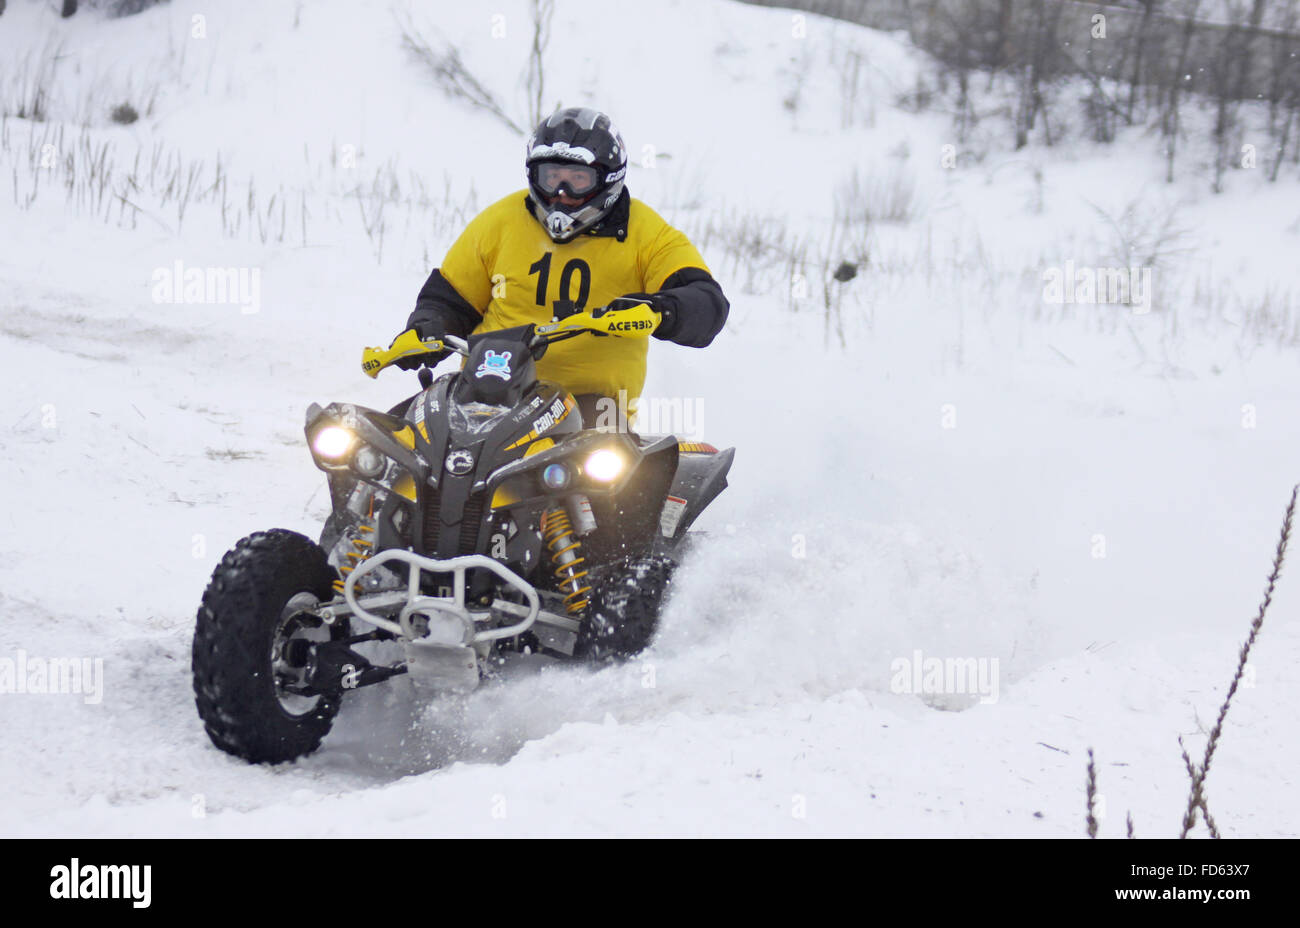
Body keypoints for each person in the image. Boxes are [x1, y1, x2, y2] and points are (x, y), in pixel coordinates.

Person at [392, 106, 728, 429]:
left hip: (595, 410)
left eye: (577, 179)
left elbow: (707, 302)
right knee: (403, 439)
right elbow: (449, 298)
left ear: (607, 180)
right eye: (551, 177)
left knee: (616, 478)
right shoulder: (499, 222)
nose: (561, 193)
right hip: (487, 391)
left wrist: (661, 310)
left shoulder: (649, 234)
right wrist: (428, 326)